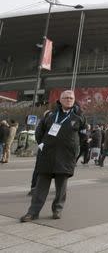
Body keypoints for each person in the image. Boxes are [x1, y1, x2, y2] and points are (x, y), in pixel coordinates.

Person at [20, 90, 87, 222]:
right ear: (60, 100)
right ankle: (33, 212)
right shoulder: (50, 115)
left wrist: (75, 152)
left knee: (61, 187)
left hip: (66, 157)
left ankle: (57, 209)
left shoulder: (79, 117)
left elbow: (84, 136)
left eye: (71, 98)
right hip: (47, 156)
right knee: (40, 187)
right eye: (66, 98)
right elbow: (39, 132)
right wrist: (42, 145)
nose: (69, 100)